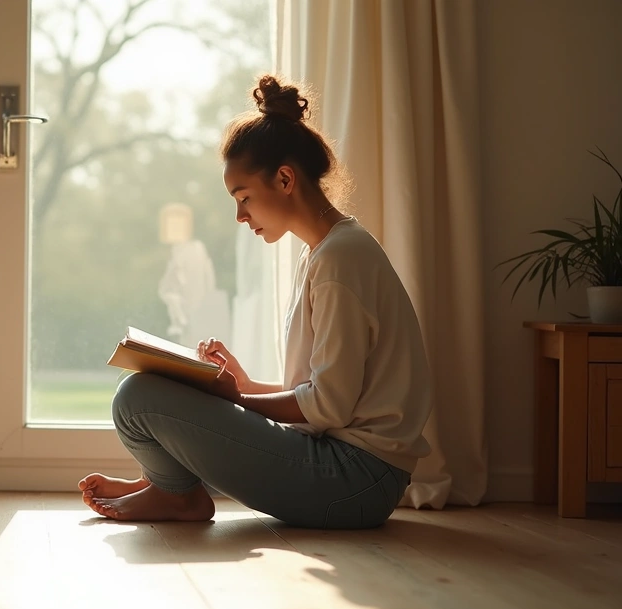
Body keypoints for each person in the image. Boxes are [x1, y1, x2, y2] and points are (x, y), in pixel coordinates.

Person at [78, 75, 432, 529]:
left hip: (354, 481)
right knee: (155, 392)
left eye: (244, 197)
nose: (240, 216)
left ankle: (176, 492)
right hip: (350, 469)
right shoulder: (328, 251)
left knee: (137, 398)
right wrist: (244, 386)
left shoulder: (341, 259)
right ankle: (167, 485)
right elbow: (328, 397)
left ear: (285, 178)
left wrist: (238, 396)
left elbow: (329, 409)